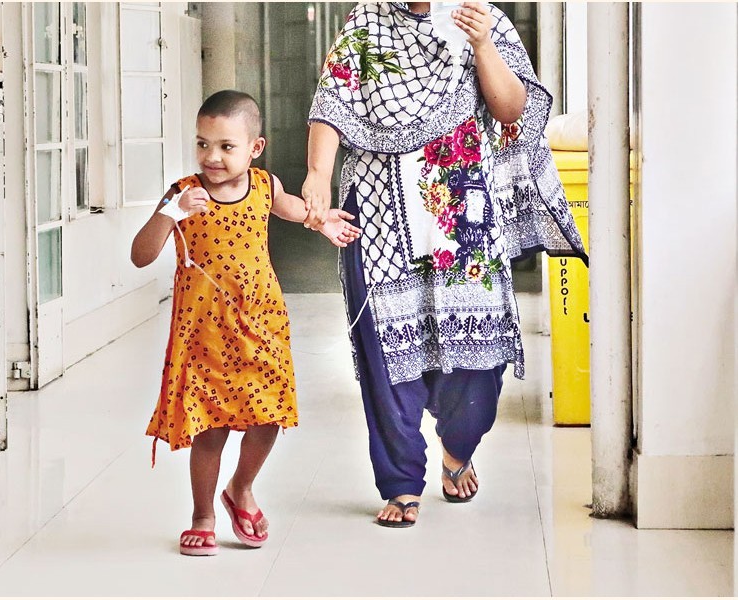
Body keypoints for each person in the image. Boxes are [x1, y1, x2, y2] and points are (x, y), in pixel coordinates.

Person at [301, 2, 587, 527]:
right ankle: (402, 481)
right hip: (378, 210)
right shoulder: (368, 19)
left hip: (464, 215)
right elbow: (333, 102)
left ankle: (458, 447)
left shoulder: (484, 17)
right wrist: (318, 173)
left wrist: (481, 46)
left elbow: (511, 110)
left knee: (479, 357)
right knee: (386, 352)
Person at [131, 90, 362, 555]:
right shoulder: (183, 194)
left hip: (261, 325)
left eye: (225, 146)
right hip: (204, 334)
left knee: (268, 416)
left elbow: (295, 209)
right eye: (202, 144)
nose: (211, 157)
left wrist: (323, 221)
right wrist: (171, 213)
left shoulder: (263, 186)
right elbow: (141, 255)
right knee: (211, 428)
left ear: (254, 148)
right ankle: (202, 514)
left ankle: (242, 487)